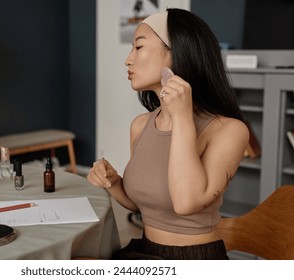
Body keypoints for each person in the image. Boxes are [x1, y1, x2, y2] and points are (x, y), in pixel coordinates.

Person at [87, 8, 249, 260]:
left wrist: (182, 117)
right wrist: (115, 182)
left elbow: (186, 203)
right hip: (145, 251)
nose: (128, 60)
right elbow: (146, 206)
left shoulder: (229, 131)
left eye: (139, 47)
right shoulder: (140, 125)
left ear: (179, 55)